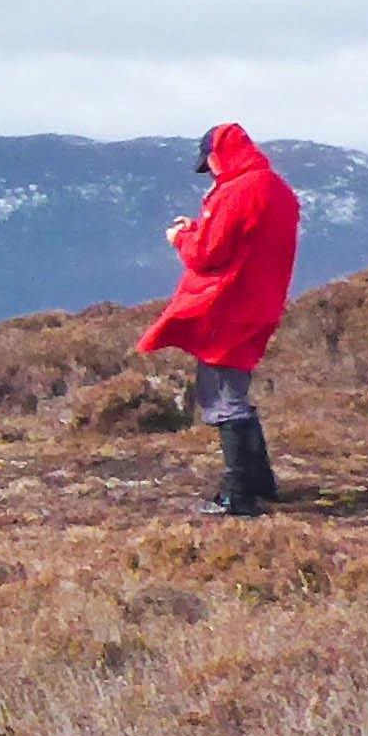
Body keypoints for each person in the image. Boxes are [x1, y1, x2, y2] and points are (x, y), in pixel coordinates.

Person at [142, 123, 302, 515]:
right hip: (261, 303)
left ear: (217, 156)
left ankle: (238, 495)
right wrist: (199, 228)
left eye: (208, 163)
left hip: (228, 307)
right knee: (236, 391)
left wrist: (182, 238)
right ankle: (262, 484)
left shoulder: (236, 191)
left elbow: (208, 254)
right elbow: (243, 241)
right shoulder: (275, 188)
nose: (210, 171)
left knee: (223, 398)